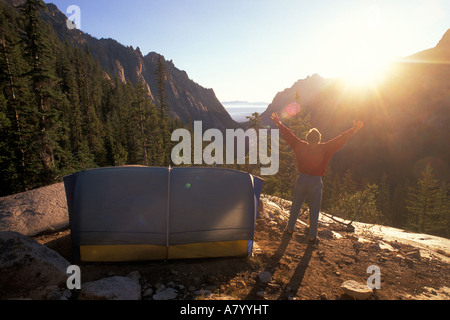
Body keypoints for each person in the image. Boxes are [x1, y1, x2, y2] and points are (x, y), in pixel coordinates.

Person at [271, 112, 364, 243]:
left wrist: (278, 123)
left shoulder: (300, 146)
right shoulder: (326, 148)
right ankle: (313, 236)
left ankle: (289, 229)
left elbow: (289, 136)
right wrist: (353, 130)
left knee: (296, 206)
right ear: (319, 139)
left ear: (307, 138)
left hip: (301, 180)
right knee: (314, 210)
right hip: (315, 182)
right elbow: (340, 139)